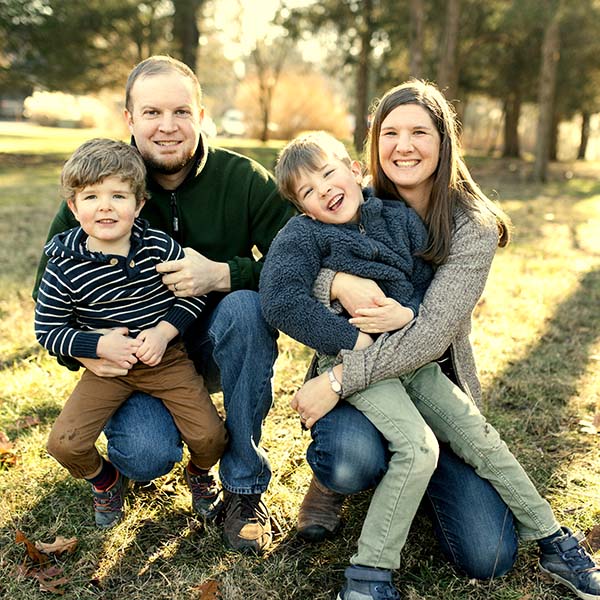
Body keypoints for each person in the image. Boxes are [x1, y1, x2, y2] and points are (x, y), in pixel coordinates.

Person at [286, 85, 600, 600]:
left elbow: (430, 335)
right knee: (354, 459)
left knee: (488, 555)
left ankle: (550, 540)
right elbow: (292, 274)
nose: (403, 145)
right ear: (372, 147)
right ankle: (352, 524)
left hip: (424, 373)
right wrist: (338, 284)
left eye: (419, 133)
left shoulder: (471, 226)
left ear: (444, 141)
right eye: (390, 133)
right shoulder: (347, 198)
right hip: (365, 372)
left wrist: (339, 381)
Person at [33, 56, 294, 552]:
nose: (168, 127)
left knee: (243, 306)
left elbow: (294, 265)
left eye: (181, 112)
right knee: (146, 457)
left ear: (200, 114)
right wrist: (87, 349)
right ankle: (126, 466)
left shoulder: (242, 180)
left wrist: (223, 274)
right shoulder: (101, 185)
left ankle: (241, 489)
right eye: (152, 112)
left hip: (210, 342)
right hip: (125, 358)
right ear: (130, 118)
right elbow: (47, 302)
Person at [35, 138, 228, 528]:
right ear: (73, 207)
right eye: (91, 197)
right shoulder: (63, 264)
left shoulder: (157, 246)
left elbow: (192, 297)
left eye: (118, 195)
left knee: (211, 438)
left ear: (139, 204)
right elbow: (48, 329)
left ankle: (199, 473)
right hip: (107, 367)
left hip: (165, 360)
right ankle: (106, 481)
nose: (105, 206)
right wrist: (98, 344)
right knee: (64, 444)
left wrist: (163, 331)